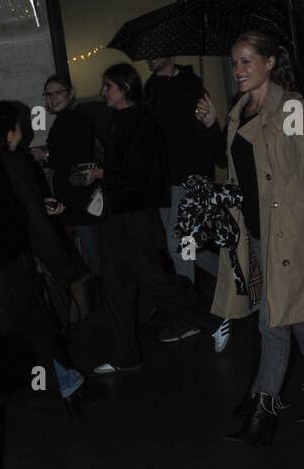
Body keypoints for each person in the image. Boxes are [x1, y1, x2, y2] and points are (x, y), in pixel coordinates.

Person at [204, 32, 304, 444]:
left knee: (272, 321)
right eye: (234, 62)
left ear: (270, 63)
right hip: (254, 229)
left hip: (291, 232)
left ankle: (263, 408)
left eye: (247, 61)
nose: (238, 69)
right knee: (300, 314)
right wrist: (211, 126)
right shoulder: (239, 109)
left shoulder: (293, 106)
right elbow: (236, 167)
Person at [85, 63, 227, 374]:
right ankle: (126, 355)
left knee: (152, 278)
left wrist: (103, 172)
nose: (102, 92)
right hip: (119, 212)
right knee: (116, 284)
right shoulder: (120, 119)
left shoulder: (140, 120)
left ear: (123, 88)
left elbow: (141, 172)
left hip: (135, 213)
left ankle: (212, 321)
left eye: (107, 86)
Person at [0, 100, 102, 414]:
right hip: (12, 261)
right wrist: (58, 260)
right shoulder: (12, 161)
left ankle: (64, 385)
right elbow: (31, 214)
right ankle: (49, 387)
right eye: (17, 126)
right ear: (6, 131)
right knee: (28, 325)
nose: (21, 133)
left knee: (20, 326)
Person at [143, 56, 224, 287]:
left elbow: (204, 132)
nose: (150, 58)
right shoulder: (150, 89)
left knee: (177, 245)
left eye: (157, 52)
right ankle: (232, 278)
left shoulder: (190, 84)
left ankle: (189, 305)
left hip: (190, 177)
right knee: (187, 247)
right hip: (165, 180)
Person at [36, 74, 102, 277]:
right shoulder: (65, 119)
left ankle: (108, 301)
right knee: (84, 256)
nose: (52, 98)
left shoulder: (75, 118)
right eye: (48, 94)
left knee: (93, 257)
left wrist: (47, 156)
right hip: (72, 199)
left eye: (58, 92)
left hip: (80, 199)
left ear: (70, 94)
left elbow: (75, 156)